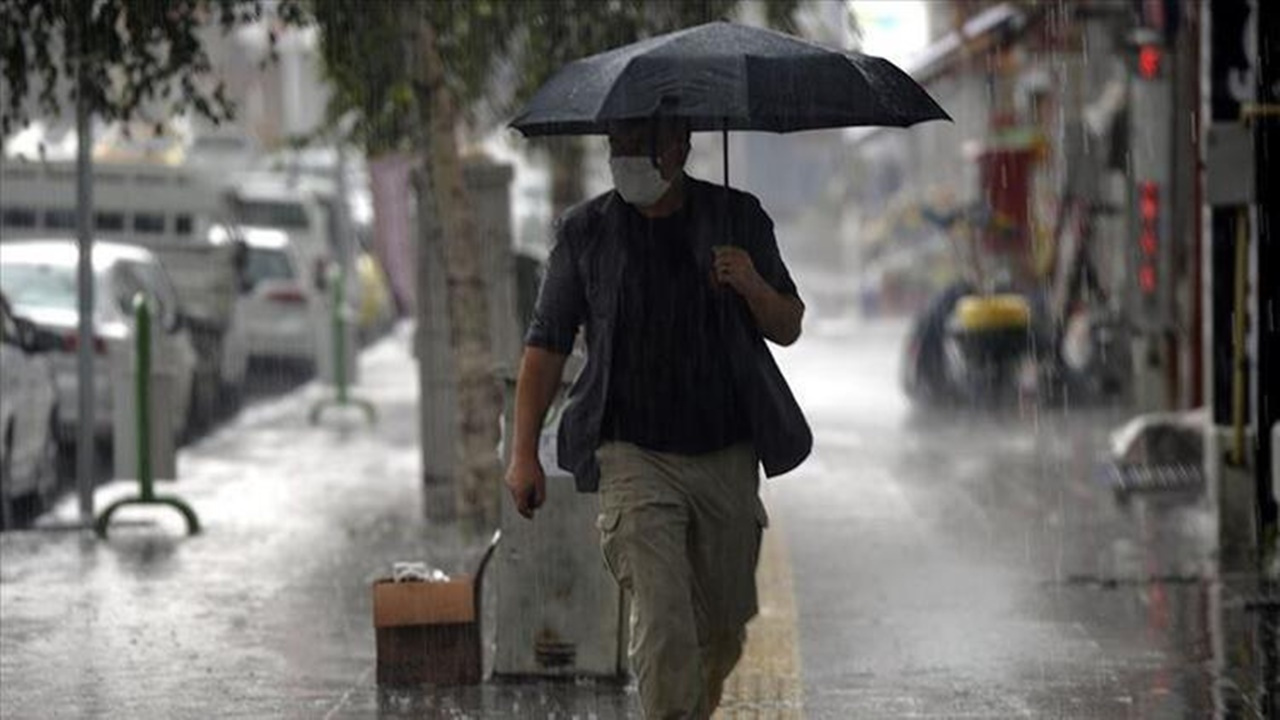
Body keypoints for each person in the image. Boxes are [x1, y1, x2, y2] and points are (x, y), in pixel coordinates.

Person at [504, 116, 811, 719]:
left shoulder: (737, 218)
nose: (625, 159)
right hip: (632, 454)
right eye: (615, 146)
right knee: (665, 621)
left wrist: (750, 283)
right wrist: (522, 455)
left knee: (721, 628)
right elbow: (545, 345)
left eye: (638, 145)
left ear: (679, 147)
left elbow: (789, 324)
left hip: (724, 452)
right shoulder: (586, 232)